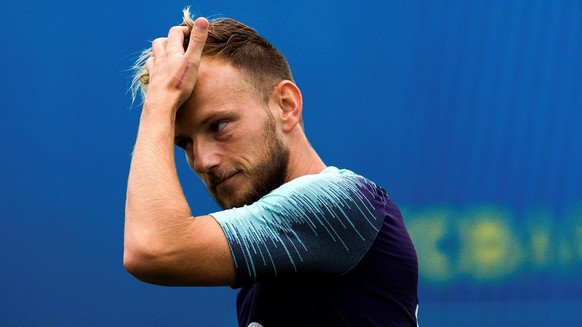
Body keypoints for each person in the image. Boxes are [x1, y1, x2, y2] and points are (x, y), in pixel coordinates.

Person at [124, 8, 419, 327]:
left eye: (219, 125)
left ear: (286, 106)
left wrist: (158, 106)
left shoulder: (342, 202)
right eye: (185, 143)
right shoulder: (266, 265)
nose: (203, 160)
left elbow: (154, 247)